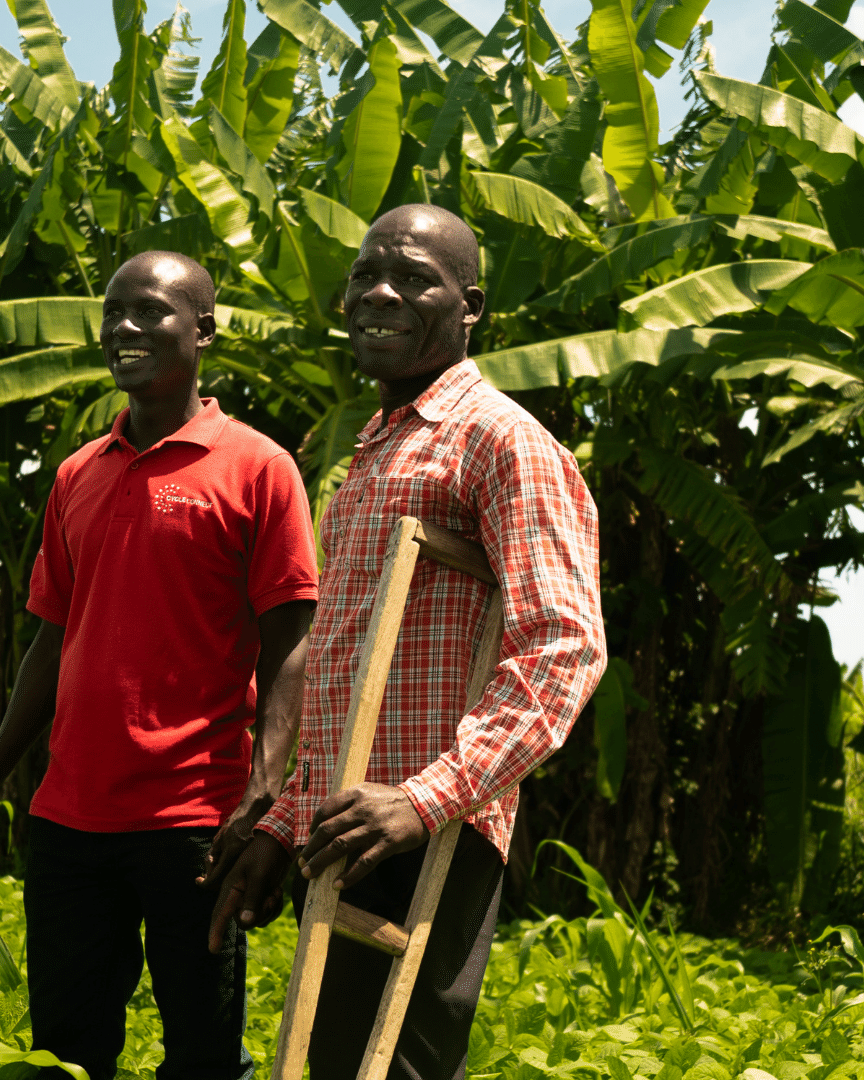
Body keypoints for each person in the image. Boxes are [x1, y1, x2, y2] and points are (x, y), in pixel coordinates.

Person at [204, 204, 607, 1079]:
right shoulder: (379, 450)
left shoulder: (502, 442)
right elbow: (351, 666)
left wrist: (424, 799)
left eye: (415, 278)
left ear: (471, 307)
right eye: (365, 276)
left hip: (431, 828)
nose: (380, 293)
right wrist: (288, 821)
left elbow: (562, 647)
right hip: (352, 824)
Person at [0, 250, 320, 1080]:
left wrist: (266, 790)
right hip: (69, 818)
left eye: (150, 311)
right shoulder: (80, 472)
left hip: (195, 820)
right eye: (113, 311)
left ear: (204, 329)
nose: (124, 327)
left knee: (201, 1056)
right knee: (66, 1057)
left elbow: (291, 639)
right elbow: (52, 637)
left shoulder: (259, 467)